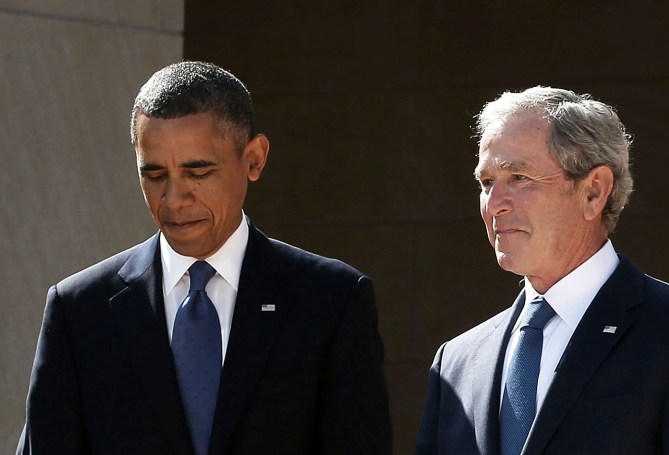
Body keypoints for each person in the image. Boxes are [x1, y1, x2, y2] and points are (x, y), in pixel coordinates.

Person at [17, 61, 392, 455]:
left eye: (198, 172)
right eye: (155, 174)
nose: (174, 199)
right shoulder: (79, 310)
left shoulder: (331, 301)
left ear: (253, 159)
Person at [415, 86, 669, 454]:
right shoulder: (457, 361)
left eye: (518, 177)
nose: (494, 205)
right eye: (487, 183)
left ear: (594, 191)